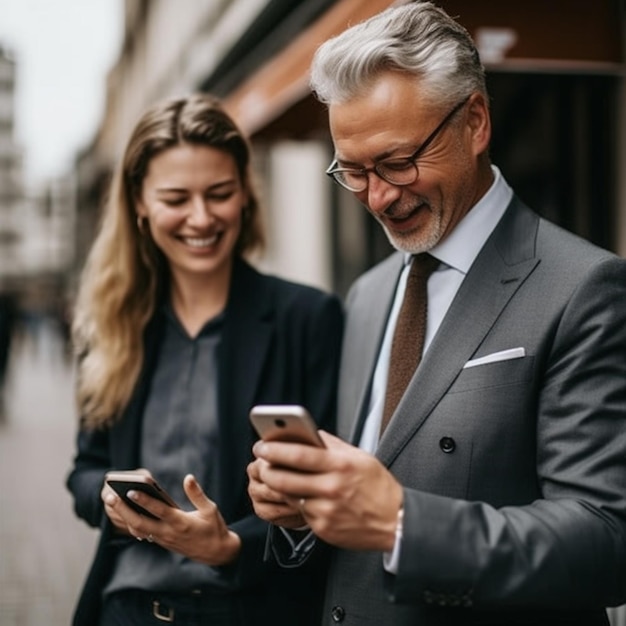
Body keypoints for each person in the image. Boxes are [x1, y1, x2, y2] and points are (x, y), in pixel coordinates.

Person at [247, 2, 626, 625]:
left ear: (475, 122)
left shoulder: (584, 286)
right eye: (353, 171)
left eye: (398, 162)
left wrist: (401, 522)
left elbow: (606, 539)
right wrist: (304, 510)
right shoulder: (368, 293)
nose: (378, 197)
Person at [66, 93, 342, 626]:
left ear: (245, 194)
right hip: (126, 609)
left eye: (219, 193)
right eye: (176, 198)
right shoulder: (112, 324)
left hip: (250, 610)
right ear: (139, 203)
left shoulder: (309, 319)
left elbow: (330, 494)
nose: (201, 217)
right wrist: (112, 500)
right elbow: (84, 470)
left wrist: (232, 544)